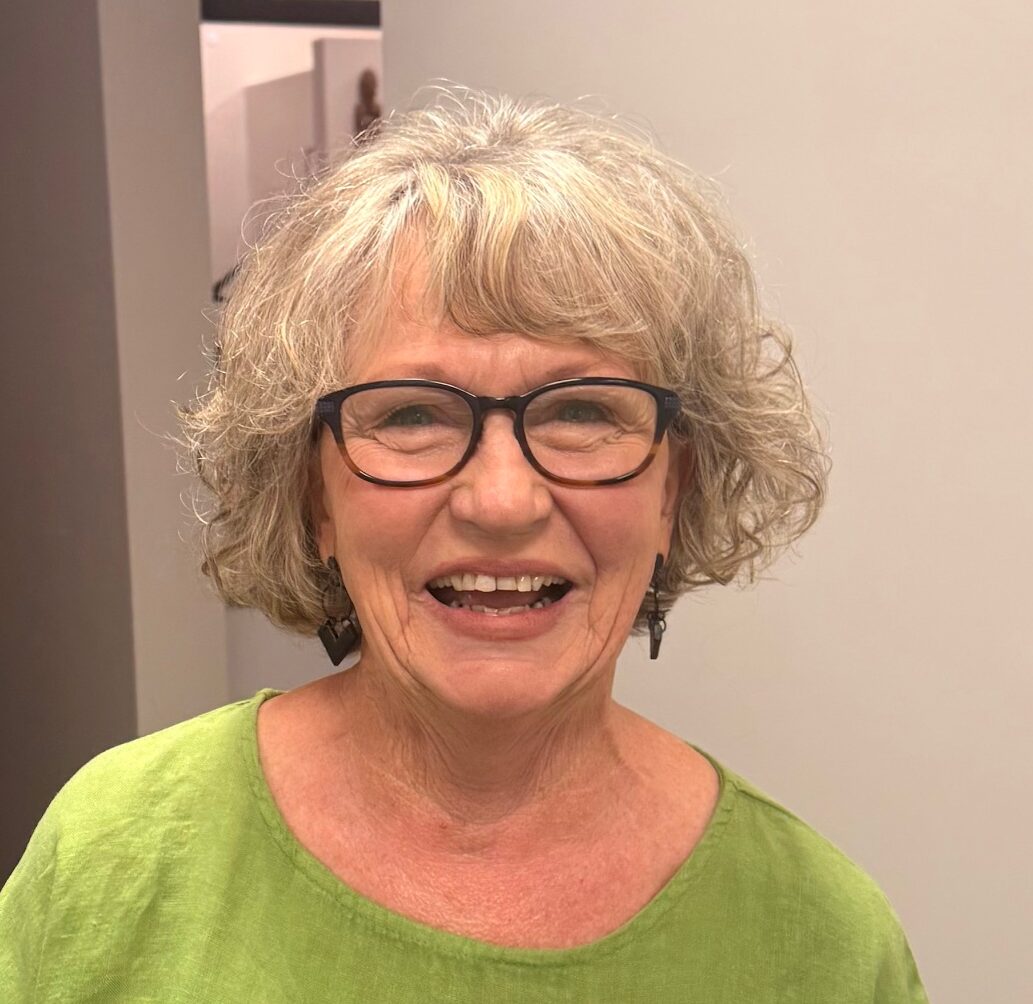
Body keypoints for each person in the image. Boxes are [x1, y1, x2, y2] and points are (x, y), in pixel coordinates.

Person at [0, 90, 928, 1001]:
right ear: (313, 494)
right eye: (411, 415)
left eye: (580, 412)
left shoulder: (823, 944)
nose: (501, 500)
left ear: (671, 492)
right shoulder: (114, 856)